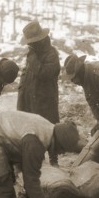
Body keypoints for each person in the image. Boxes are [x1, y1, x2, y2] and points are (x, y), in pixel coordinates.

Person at [16, 20, 61, 166]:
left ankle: (54, 160)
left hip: (45, 100)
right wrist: (21, 99)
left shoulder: (51, 54)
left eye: (32, 42)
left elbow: (44, 73)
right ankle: (37, 160)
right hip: (29, 100)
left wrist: (33, 58)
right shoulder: (32, 54)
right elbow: (26, 76)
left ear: (41, 40)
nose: (30, 45)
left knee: (50, 128)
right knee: (31, 131)